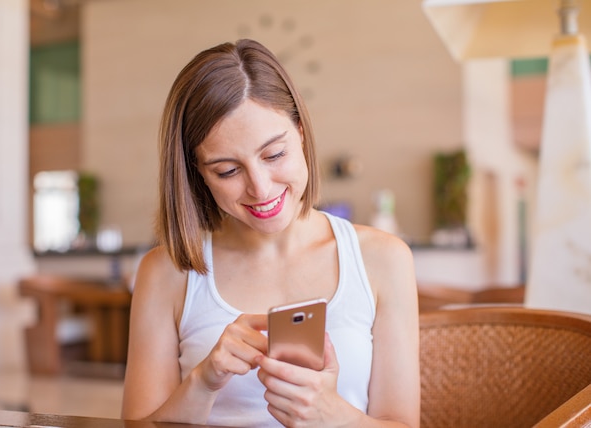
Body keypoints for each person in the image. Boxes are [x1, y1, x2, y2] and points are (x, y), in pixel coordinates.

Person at [121, 38, 420, 428]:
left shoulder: (383, 259)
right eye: (227, 171)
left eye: (274, 154)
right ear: (197, 173)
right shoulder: (166, 272)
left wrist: (334, 416)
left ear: (300, 132)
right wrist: (203, 382)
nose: (260, 189)